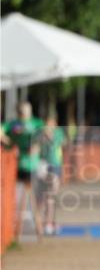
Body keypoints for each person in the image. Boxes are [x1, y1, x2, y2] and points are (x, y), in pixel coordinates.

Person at [1, 101, 44, 239]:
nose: (25, 115)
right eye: (23, 112)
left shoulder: (35, 123)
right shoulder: (15, 124)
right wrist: (12, 144)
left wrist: (35, 146)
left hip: (28, 166)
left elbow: (42, 137)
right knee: (25, 199)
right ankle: (30, 229)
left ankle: (26, 229)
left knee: (27, 199)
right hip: (20, 166)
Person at [36, 112, 66, 235]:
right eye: (47, 124)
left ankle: (50, 223)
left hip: (55, 166)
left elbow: (62, 143)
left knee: (51, 196)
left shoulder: (58, 133)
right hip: (43, 165)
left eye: (51, 124)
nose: (49, 126)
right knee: (42, 196)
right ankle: (41, 222)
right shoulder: (39, 134)